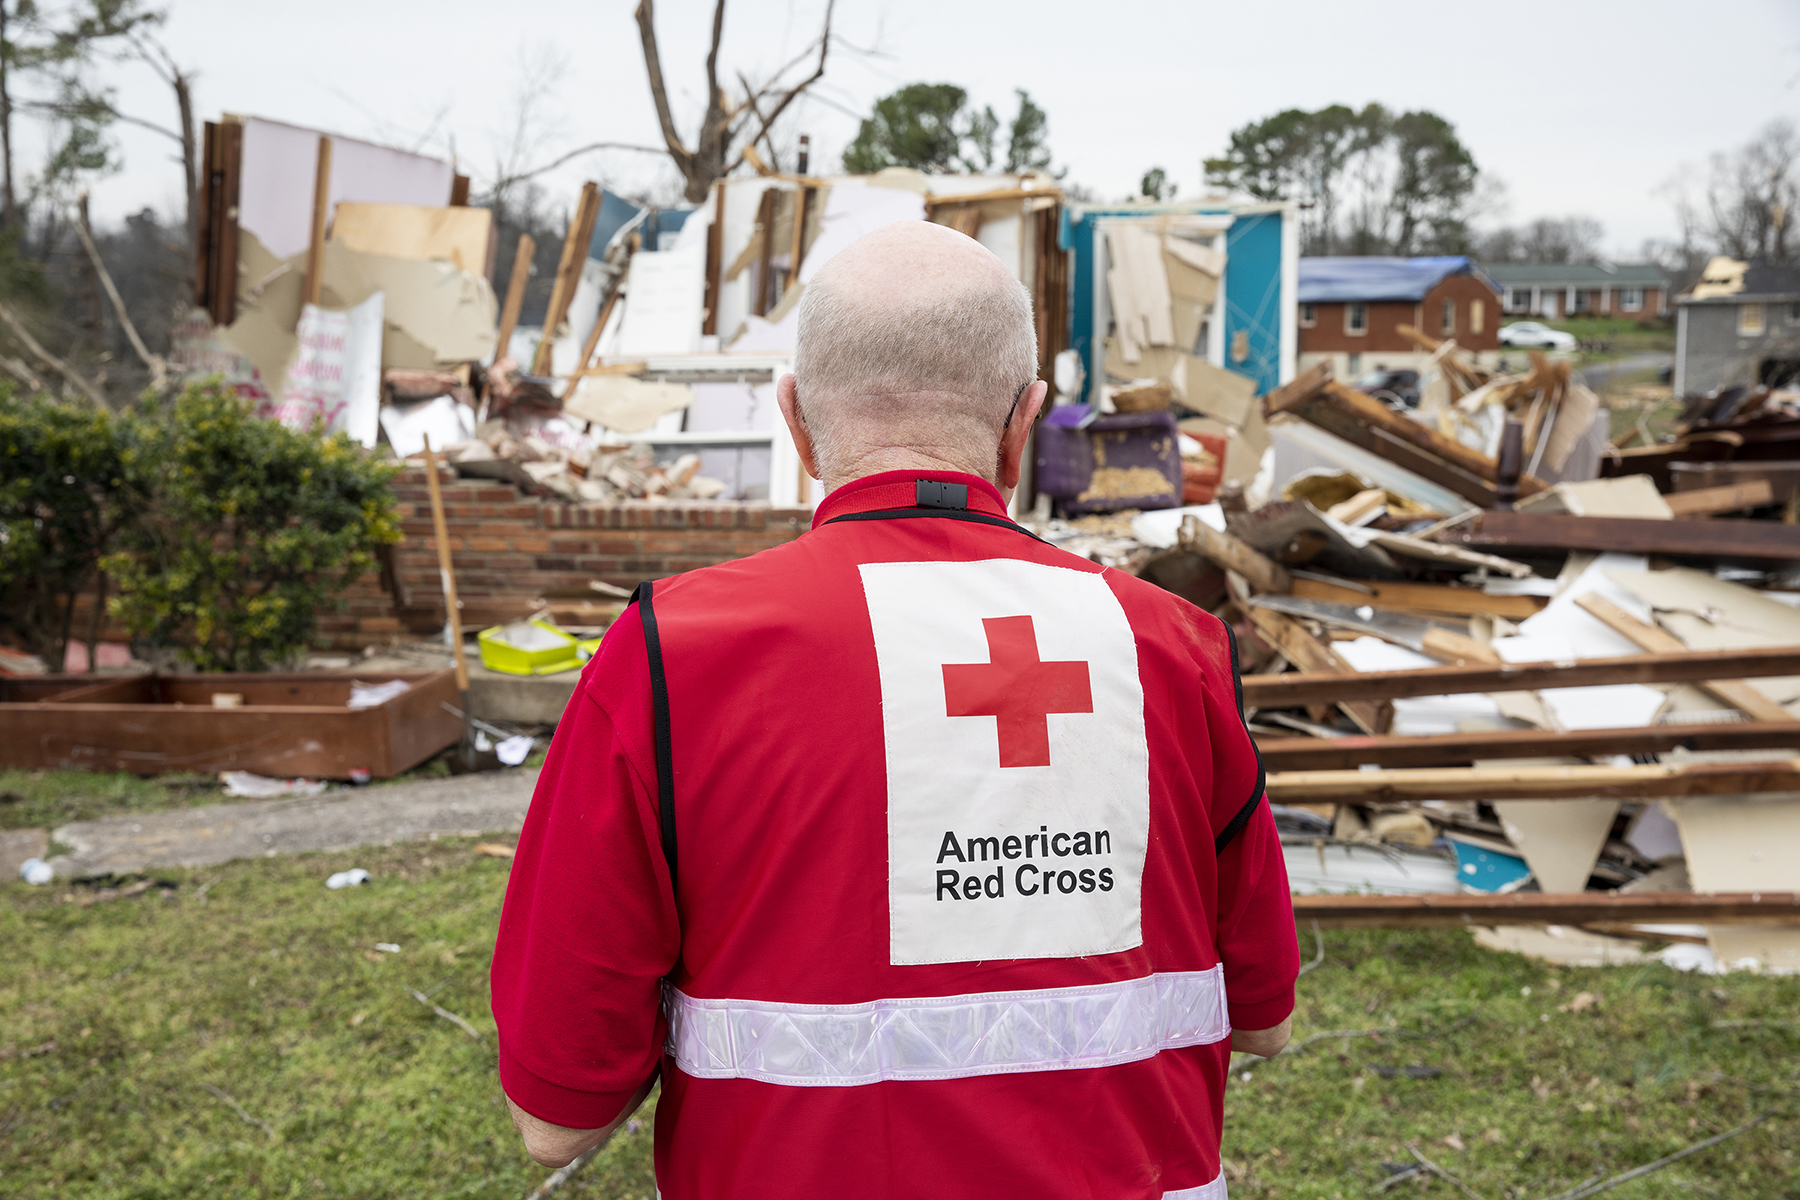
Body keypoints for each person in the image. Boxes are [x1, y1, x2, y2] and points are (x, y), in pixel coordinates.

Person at [490, 220, 1299, 1199]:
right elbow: (1263, 1018)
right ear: (1025, 420)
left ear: (795, 422)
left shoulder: (676, 657)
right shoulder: (1173, 646)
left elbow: (555, 1119)